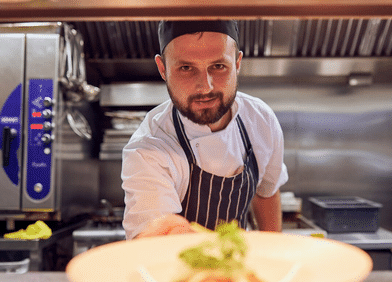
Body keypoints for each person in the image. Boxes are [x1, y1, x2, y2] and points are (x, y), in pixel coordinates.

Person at [121, 20, 288, 239]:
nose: (205, 87)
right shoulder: (149, 148)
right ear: (163, 69)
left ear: (237, 63)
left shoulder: (260, 120)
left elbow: (267, 192)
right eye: (186, 68)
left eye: (218, 66)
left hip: (236, 265)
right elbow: (154, 239)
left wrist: (273, 254)